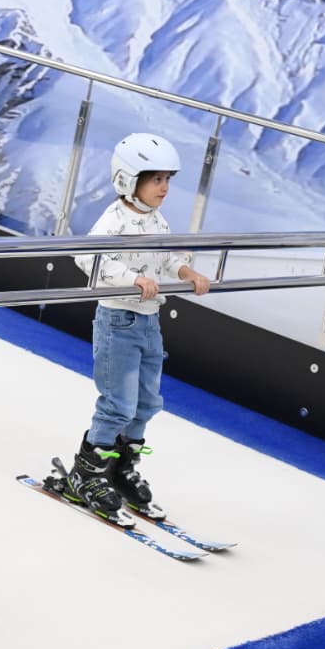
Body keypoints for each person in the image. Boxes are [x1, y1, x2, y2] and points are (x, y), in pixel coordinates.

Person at [62, 133, 211, 525]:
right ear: (128, 179)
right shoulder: (114, 219)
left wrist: (185, 270)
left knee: (146, 404)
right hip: (118, 320)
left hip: (148, 321)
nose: (164, 187)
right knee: (118, 403)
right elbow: (88, 256)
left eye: (167, 179)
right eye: (156, 179)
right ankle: (88, 473)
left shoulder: (156, 219)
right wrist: (131, 277)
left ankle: (120, 468)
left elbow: (167, 254)